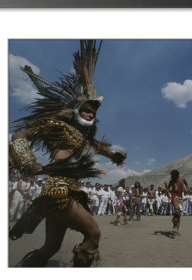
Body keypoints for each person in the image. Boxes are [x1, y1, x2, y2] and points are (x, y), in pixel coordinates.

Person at [9, 40, 126, 267]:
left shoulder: (84, 138)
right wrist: (28, 161)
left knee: (50, 248)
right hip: (58, 190)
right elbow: (19, 136)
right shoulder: (56, 125)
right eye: (87, 110)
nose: (91, 114)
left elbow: (98, 146)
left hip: (69, 191)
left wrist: (114, 156)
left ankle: (23, 274)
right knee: (94, 234)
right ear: (76, 109)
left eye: (93, 112)